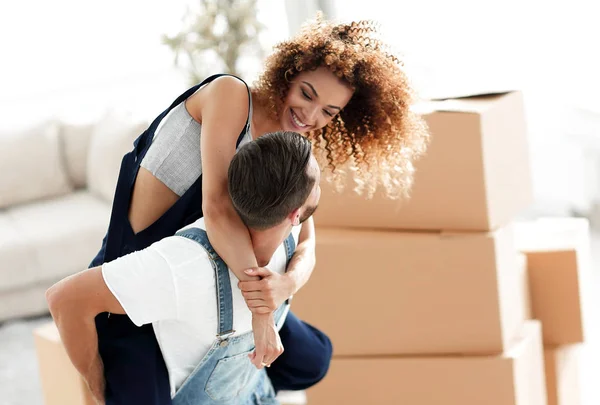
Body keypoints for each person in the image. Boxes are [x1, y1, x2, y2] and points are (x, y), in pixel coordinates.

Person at [88, 13, 429, 405]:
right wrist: (261, 316)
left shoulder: (294, 137)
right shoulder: (230, 95)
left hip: (211, 272)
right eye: (307, 94)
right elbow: (217, 208)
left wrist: (288, 284)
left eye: (330, 112)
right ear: (291, 70)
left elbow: (304, 231)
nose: (312, 116)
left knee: (311, 360)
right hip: (142, 273)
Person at [47, 131, 320, 405]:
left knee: (315, 356)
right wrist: (99, 388)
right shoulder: (186, 265)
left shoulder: (290, 230)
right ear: (295, 213)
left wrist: (290, 282)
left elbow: (308, 242)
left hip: (254, 392)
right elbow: (64, 298)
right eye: (318, 185)